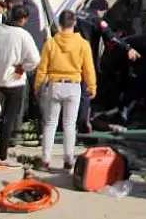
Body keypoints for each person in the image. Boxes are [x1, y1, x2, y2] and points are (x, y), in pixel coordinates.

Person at [35, 10, 96, 171]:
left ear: (59, 24)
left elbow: (42, 68)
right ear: (74, 23)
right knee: (69, 125)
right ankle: (68, 160)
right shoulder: (83, 44)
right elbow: (89, 69)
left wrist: (38, 86)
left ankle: (46, 159)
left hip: (54, 85)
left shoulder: (51, 43)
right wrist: (92, 86)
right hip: (73, 86)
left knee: (50, 124)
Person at [75, 0, 140, 133]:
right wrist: (128, 48)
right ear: (101, 10)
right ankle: (83, 125)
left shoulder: (77, 13)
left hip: (69, 56)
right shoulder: (96, 19)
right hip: (84, 58)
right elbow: (112, 37)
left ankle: (69, 120)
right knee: (85, 92)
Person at [0, 1, 41, 167]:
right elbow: (35, 59)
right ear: (24, 19)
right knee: (8, 118)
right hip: (14, 81)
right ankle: (2, 156)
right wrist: (22, 68)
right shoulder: (23, 36)